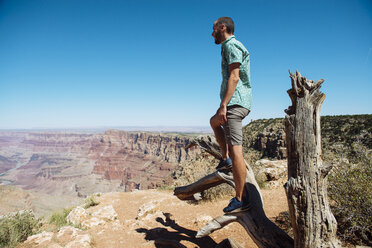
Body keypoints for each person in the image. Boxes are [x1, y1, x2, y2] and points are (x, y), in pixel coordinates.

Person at [210, 17, 252, 213]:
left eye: (213, 29)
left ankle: (240, 199)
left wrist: (224, 105)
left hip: (235, 103)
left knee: (237, 151)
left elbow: (234, 77)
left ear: (222, 27)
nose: (212, 34)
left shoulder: (231, 45)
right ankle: (224, 158)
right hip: (235, 102)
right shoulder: (230, 46)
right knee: (214, 122)